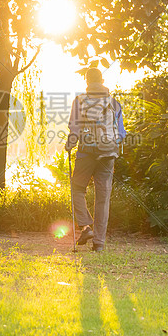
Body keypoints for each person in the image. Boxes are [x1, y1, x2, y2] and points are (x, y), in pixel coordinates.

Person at [65, 67, 126, 252]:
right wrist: (109, 144)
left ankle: (85, 226)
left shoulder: (79, 101)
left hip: (86, 153)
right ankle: (99, 243)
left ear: (87, 81)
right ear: (102, 80)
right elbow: (121, 133)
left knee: (77, 188)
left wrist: (69, 145)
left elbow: (74, 130)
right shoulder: (114, 103)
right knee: (103, 198)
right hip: (108, 155)